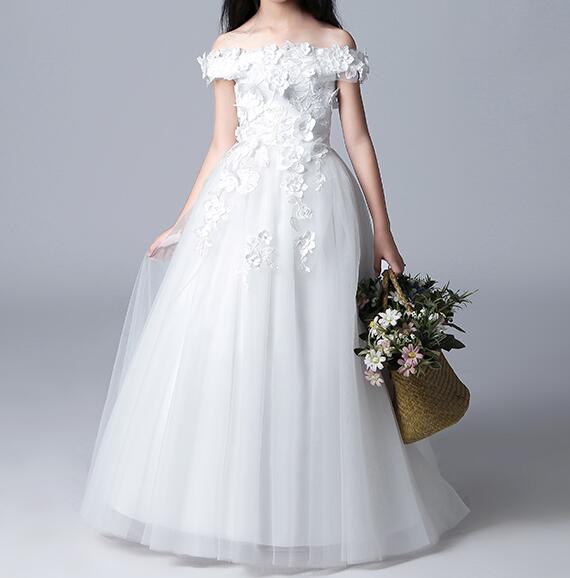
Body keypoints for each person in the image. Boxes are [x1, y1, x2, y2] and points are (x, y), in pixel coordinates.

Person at [80, 0, 469, 569]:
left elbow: (359, 139)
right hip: (242, 209)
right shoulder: (230, 48)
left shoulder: (335, 42)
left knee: (319, 345)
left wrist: (384, 231)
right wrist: (183, 221)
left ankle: (318, 507)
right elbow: (222, 143)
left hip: (321, 209)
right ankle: (229, 510)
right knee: (238, 340)